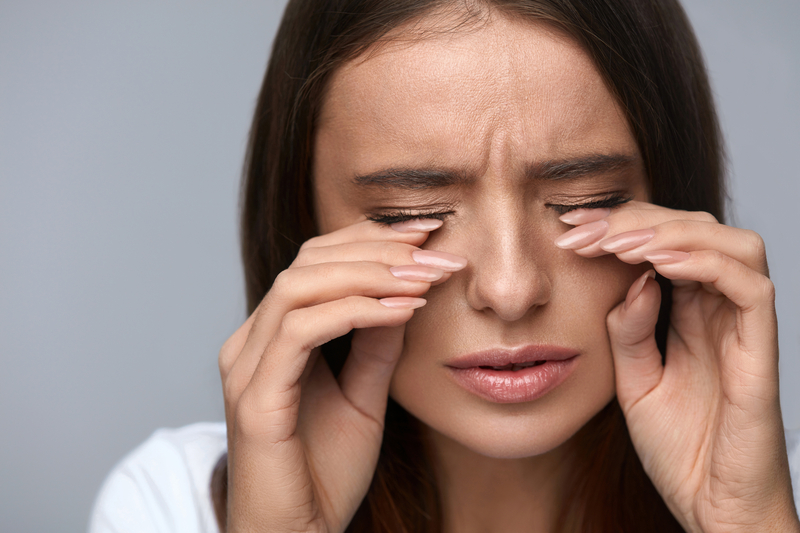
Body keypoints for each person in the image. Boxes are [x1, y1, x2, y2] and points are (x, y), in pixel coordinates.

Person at [89, 0, 800, 532]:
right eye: (409, 212)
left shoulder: (774, 501)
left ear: (671, 202)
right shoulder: (168, 503)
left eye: (587, 200)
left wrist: (747, 521)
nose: (510, 288)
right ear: (302, 224)